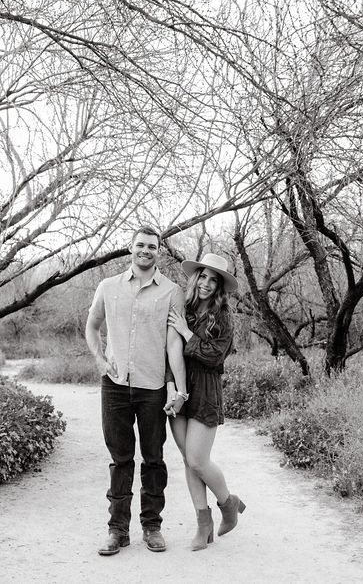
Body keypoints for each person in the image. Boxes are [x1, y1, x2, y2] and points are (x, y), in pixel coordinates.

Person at [85, 226, 189, 556]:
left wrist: (178, 388)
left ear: (159, 251)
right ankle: (117, 531)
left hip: (152, 387)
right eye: (140, 245)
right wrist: (101, 360)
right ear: (130, 248)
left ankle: (152, 526)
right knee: (120, 459)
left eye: (152, 246)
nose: (146, 250)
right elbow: (92, 326)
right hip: (114, 387)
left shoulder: (172, 292)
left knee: (154, 459)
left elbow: (174, 343)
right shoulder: (108, 287)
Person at [166, 252, 246, 551]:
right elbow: (167, 351)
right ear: (195, 277)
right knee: (188, 460)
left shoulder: (223, 316)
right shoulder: (181, 307)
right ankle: (203, 523)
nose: (207, 284)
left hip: (206, 390)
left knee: (198, 459)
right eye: (203, 277)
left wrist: (187, 332)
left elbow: (214, 357)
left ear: (220, 286)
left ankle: (228, 504)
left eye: (214, 280)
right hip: (179, 389)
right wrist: (172, 387)